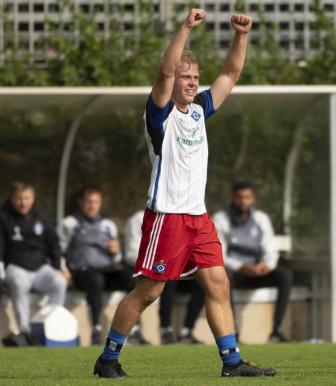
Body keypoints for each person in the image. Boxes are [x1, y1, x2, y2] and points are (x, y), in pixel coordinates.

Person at [93, 9, 275, 378]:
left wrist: (242, 35)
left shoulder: (198, 111)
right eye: (185, 77)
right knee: (149, 292)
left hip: (198, 218)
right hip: (167, 216)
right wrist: (186, 28)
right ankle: (108, 358)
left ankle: (232, 362)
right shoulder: (160, 115)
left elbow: (231, 74)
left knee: (218, 283)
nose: (192, 83)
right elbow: (163, 71)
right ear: (173, 80)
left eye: (195, 77)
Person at [59, 186, 147, 346]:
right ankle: (96, 329)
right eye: (88, 202)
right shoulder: (69, 223)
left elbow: (117, 258)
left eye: (96, 202)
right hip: (82, 272)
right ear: (81, 203)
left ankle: (134, 330)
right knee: (94, 279)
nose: (92, 206)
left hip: (106, 271)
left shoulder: (108, 225)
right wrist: (63, 270)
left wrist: (115, 251)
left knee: (131, 279)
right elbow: (59, 250)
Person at [213, 182, 293, 343]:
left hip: (256, 272)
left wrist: (265, 266)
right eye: (239, 197)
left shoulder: (260, 218)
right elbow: (220, 254)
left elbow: (270, 249)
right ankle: (232, 331)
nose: (243, 201)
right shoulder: (221, 219)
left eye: (247, 197)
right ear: (233, 198)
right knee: (223, 275)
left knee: (285, 275)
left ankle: (276, 331)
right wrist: (241, 266)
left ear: (253, 199)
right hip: (234, 273)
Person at [0, 182, 68, 345]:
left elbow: (53, 243)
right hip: (15, 267)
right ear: (12, 199)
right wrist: (2, 280)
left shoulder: (41, 215)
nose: (23, 202)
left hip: (40, 268)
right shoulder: (3, 217)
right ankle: (25, 331)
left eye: (26, 198)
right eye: (19, 199)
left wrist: (58, 268)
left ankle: (49, 325)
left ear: (33, 198)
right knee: (19, 283)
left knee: (59, 282)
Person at [124, 209, 206, 345]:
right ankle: (165, 330)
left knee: (204, 283)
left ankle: (186, 332)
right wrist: (161, 263)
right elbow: (131, 254)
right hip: (149, 269)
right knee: (167, 277)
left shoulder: (187, 217)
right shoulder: (138, 218)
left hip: (177, 269)